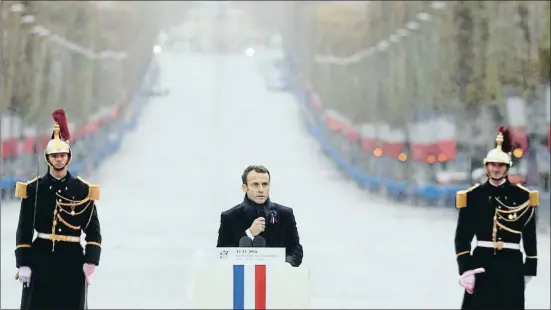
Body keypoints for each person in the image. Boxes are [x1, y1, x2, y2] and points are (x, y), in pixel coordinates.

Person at [14, 109, 102, 310]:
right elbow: (24, 229)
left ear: (68, 157)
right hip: (41, 259)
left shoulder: (82, 190)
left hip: (71, 261)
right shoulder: (34, 189)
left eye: (62, 155)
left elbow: (93, 231)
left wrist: (90, 261)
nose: (59, 159)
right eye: (54, 156)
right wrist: (23, 263)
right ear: (48, 158)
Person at [454, 125, 538, 310]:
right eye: (492, 164)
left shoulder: (523, 197)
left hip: (512, 265)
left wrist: (529, 268)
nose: (496, 169)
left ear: (507, 168)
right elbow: (462, 237)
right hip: (481, 265)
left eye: (500, 165)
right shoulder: (472, 196)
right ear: (486, 166)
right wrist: (466, 268)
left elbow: (530, 235)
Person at [217, 165, 303, 267]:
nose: (261, 189)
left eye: (265, 184)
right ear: (245, 188)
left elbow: (295, 249)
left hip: (277, 278)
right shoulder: (229, 217)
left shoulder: (285, 214)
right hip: (241, 279)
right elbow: (222, 254)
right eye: (255, 184)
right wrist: (249, 234)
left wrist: (286, 265)